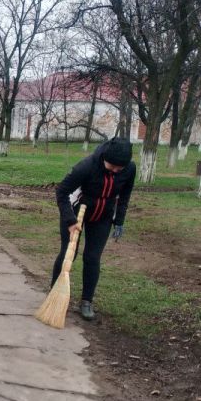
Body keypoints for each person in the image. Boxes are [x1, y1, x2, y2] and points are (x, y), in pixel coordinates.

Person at [53, 136, 136, 321]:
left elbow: (125, 195)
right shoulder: (87, 166)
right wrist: (70, 221)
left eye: (119, 168)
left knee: (92, 257)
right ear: (105, 158)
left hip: (103, 215)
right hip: (76, 211)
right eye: (112, 166)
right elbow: (62, 191)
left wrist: (119, 220)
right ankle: (54, 294)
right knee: (68, 254)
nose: (115, 171)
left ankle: (86, 301)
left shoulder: (130, 169)